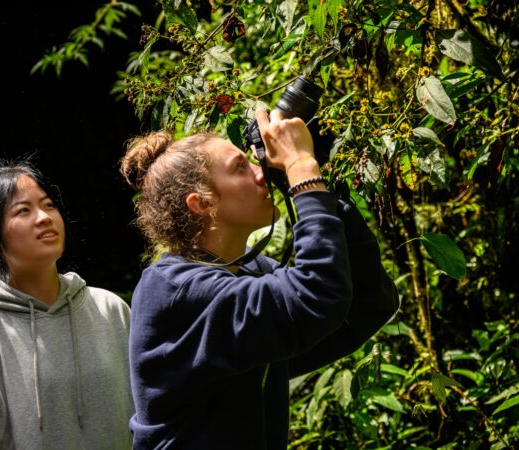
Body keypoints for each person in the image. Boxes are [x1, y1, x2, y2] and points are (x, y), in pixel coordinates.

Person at [120, 108, 400, 449]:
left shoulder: (250, 271)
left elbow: (368, 301)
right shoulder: (175, 291)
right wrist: (301, 169)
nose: (260, 173)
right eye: (241, 168)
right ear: (202, 204)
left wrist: (308, 187)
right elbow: (315, 298)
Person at [0, 160, 134, 449]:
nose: (44, 217)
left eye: (48, 205)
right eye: (23, 210)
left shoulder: (110, 310)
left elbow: (151, 412)